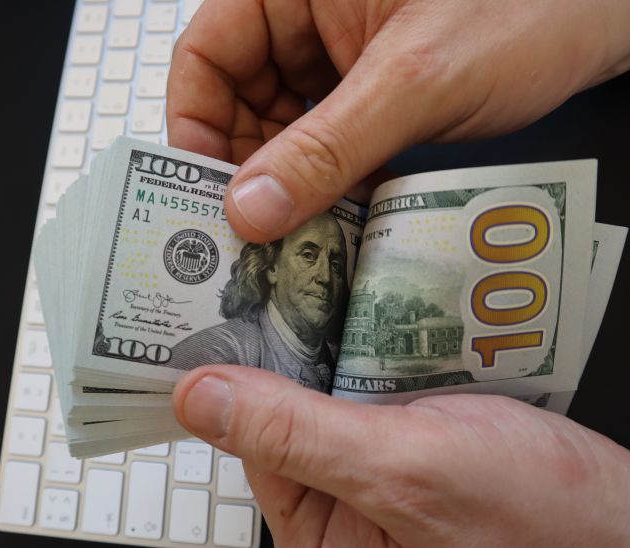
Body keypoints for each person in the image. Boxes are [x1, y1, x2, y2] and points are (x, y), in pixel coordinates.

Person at [165, 1, 630, 545]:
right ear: (268, 269)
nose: (328, 275)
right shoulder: (224, 349)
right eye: (309, 255)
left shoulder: (326, 350)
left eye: (335, 260)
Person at [168, 212, 348, 393]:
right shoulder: (216, 352)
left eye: (336, 265)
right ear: (272, 267)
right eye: (308, 255)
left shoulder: (335, 358)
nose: (326, 277)